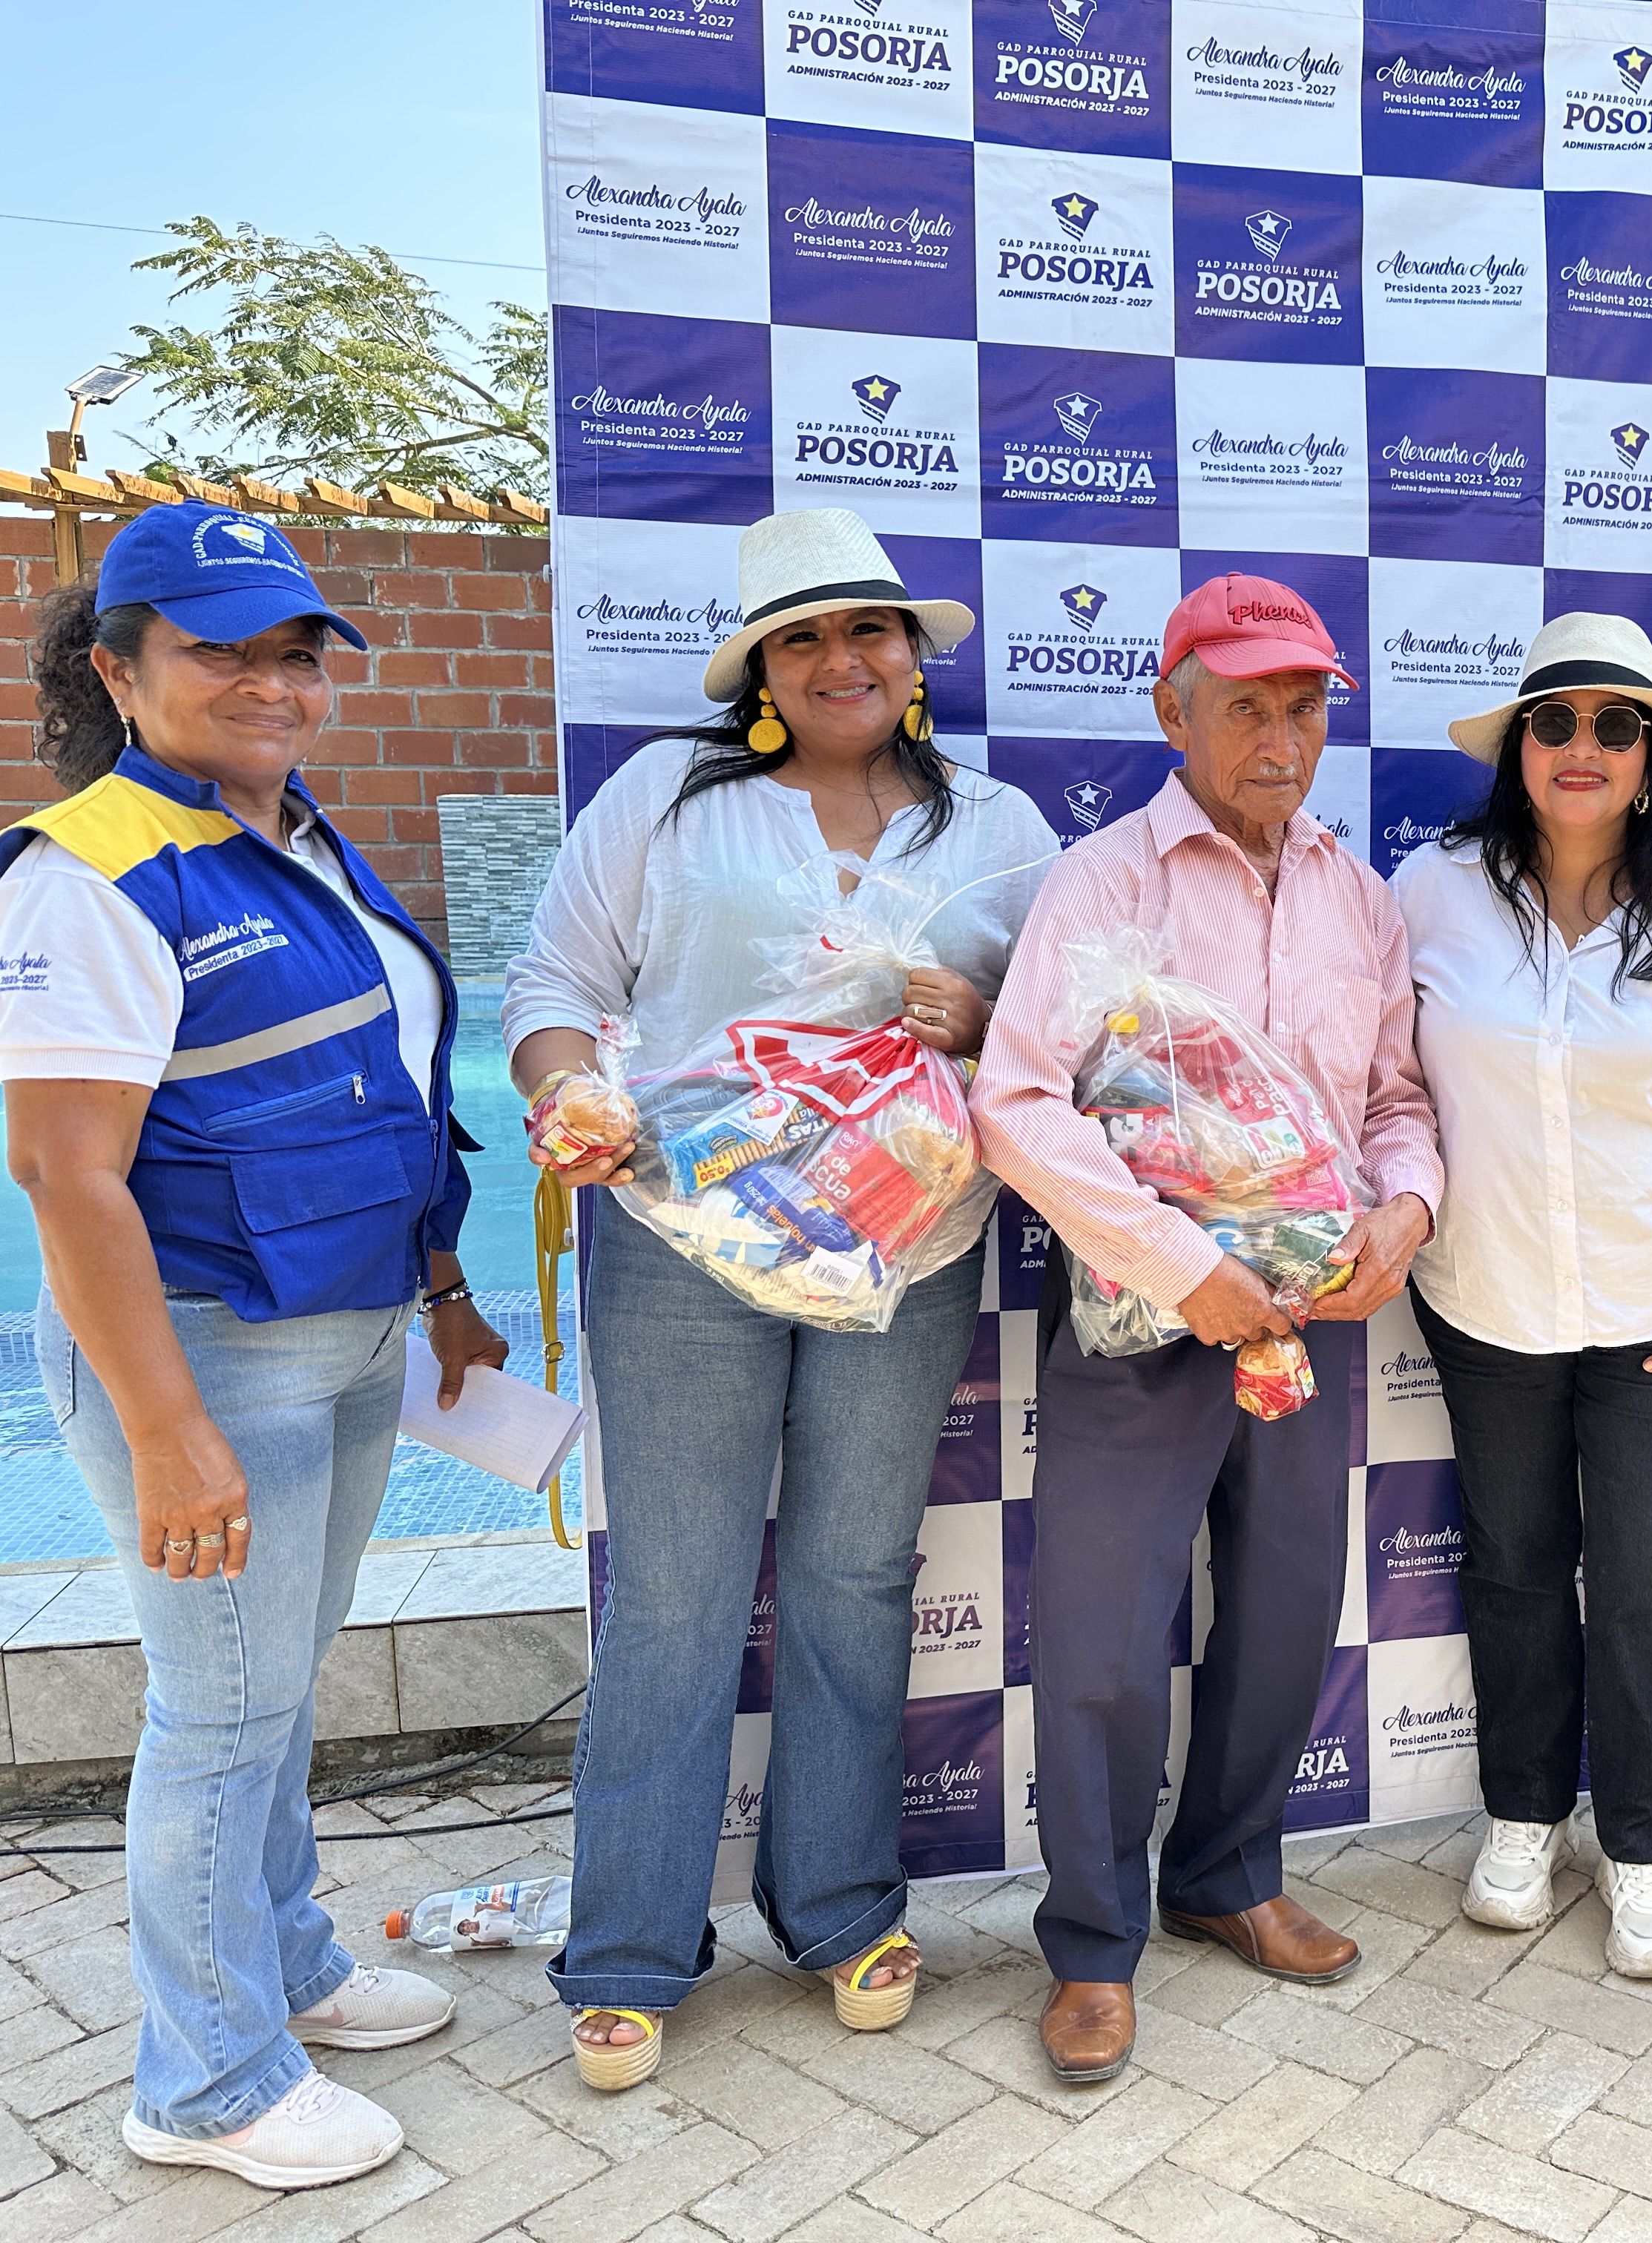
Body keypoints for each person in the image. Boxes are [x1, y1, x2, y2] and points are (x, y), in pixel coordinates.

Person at [504, 509, 1056, 2088]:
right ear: (759, 668)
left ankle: (840, 1907)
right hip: (683, 1245)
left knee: (854, 1579)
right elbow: (555, 989)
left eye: (867, 629)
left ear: (914, 654)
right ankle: (628, 1945)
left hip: (904, 1248)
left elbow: (1067, 1042)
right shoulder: (666, 799)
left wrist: (983, 1016)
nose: (839, 659)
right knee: (676, 1596)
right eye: (800, 637)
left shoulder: (999, 827)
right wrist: (567, 1092)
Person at [1, 504, 504, 2187]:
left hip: (346, 1335)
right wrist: (165, 1430)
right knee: (216, 1719)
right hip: (210, 1353)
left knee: (273, 1691)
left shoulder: (292, 840)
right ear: (117, 671)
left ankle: (284, 1964)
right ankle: (206, 2083)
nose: (271, 683)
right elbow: (66, 1177)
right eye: (219, 650)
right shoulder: (92, 874)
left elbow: (376, 1093)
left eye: (296, 653)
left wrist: (444, 1287)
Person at [971, 572, 1441, 2082]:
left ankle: (1229, 1875)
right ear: (1173, 711)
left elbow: (1395, 1102)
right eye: (1246, 707)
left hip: (1313, 1314)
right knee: (1104, 1639)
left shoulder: (1361, 898)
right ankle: (1093, 1944)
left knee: (1290, 1607)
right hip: (1144, 1316)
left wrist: (1406, 1211)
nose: (1281, 738)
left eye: (1304, 707)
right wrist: (1183, 1270)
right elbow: (1018, 1103)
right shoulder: (1104, 883)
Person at [1392, 613, 1652, 1977]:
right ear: (1518, 745)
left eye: (1615, 724)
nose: (1584, 745)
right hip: (1487, 1302)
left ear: (1649, 756)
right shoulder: (1429, 891)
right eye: (1555, 720)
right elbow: (1384, 1086)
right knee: (1513, 1568)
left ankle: (1643, 1846)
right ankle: (1523, 1818)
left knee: (1646, 1585)